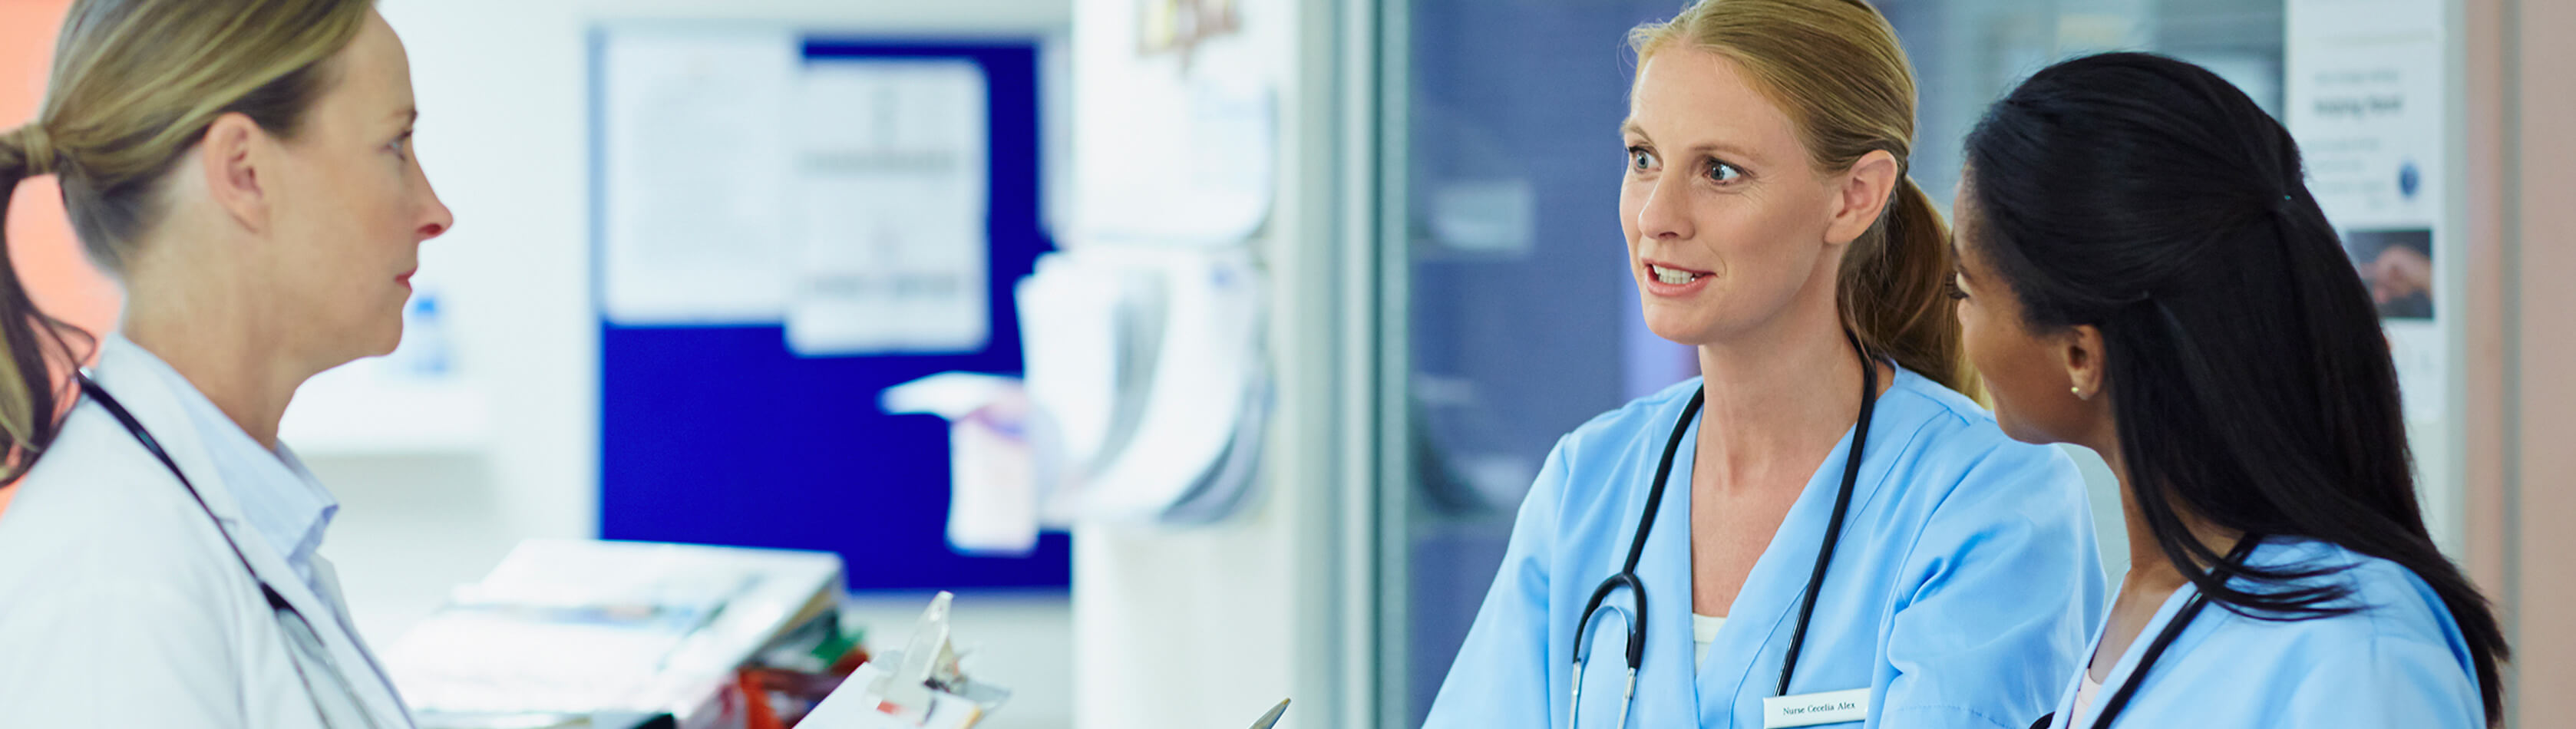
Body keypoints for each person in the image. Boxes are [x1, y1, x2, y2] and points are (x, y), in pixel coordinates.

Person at [1421, 1, 2104, 727]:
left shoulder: (1993, 502)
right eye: (1644, 159)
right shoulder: (1586, 483)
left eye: (1719, 171)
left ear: (1855, 197)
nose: (1657, 217)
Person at [1947, 52, 2508, 728]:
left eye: (1965, 290)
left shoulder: (2359, 650)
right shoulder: (2155, 589)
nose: (1957, 320)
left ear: (2080, 354)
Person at [0, 1, 453, 726]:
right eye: (395, 144)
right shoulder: (115, 587)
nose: (435, 212)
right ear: (243, 172)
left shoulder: (210, 515)